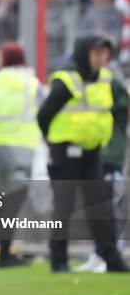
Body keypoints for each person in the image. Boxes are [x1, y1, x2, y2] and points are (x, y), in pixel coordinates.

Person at [37, 34, 128, 273]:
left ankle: (112, 260)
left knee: (100, 207)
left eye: (105, 53)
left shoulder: (106, 79)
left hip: (92, 151)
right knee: (63, 206)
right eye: (97, 53)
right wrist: (52, 143)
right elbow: (43, 115)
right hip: (65, 151)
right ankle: (59, 261)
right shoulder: (67, 81)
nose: (102, 58)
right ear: (84, 52)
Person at [0, 42, 41, 268]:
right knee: (14, 201)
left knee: (2, 200)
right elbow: (42, 111)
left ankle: (4, 252)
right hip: (20, 149)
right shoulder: (31, 84)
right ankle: (5, 254)